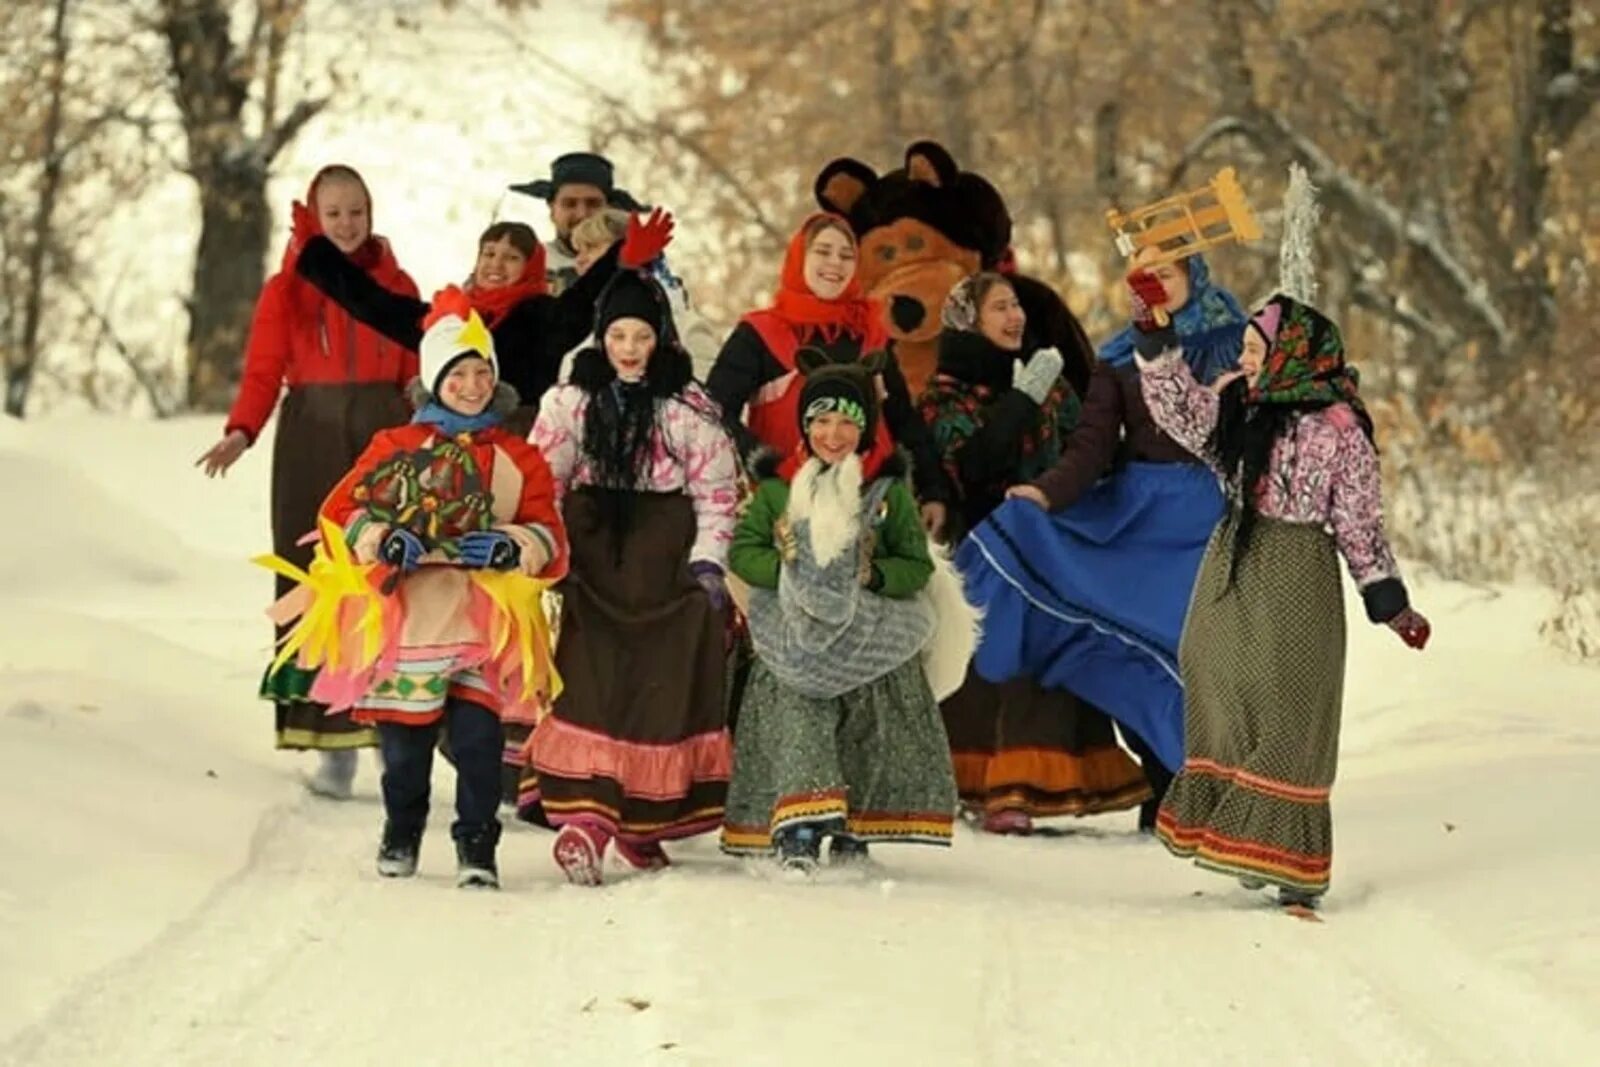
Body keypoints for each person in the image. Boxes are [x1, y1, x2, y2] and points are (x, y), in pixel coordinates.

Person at [1134, 291, 1431, 909]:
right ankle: (1242, 830)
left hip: (1299, 573)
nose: (1243, 362)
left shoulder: (1341, 430)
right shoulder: (1242, 408)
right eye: (1243, 350)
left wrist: (1390, 602)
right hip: (1234, 563)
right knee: (1209, 669)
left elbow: (1358, 523)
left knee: (1290, 706)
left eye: (1252, 350)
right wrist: (1155, 336)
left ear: (1292, 356)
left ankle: (1291, 869)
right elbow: (1179, 413)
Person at [270, 287, 568, 888]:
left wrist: (514, 543)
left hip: (480, 622)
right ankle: (402, 827)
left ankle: (477, 846)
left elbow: (551, 534)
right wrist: (382, 539)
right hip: (410, 618)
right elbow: (339, 513)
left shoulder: (516, 456)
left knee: (480, 742)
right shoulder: (395, 447)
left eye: (482, 372)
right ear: (434, 380)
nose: (472, 385)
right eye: (458, 374)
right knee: (404, 749)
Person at [196, 164, 418, 798]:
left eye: (357, 211)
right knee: (315, 579)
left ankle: (388, 733)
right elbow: (264, 370)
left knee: (386, 579)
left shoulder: (397, 284)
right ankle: (328, 742)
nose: (347, 224)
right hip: (311, 436)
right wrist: (242, 430)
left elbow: (415, 369)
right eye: (335, 213)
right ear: (316, 218)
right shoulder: (285, 288)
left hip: (383, 437)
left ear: (370, 214)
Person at [522, 268, 739, 885]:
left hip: (665, 560)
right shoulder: (572, 402)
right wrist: (549, 547)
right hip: (595, 557)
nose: (628, 349)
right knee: (592, 681)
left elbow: (716, 494)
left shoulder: (687, 407)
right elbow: (546, 477)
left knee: (660, 686)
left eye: (640, 335)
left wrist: (708, 564)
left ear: (661, 337)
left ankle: (641, 824)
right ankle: (587, 824)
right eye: (617, 334)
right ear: (601, 336)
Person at [922, 273, 1151, 832]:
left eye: (1017, 306)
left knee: (1048, 660)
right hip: (985, 552)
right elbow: (974, 467)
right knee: (994, 663)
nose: (1015, 317)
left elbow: (1086, 454)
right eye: (1000, 307)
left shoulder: (1052, 384)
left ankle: (1029, 788)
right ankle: (984, 787)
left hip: (1054, 549)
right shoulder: (943, 395)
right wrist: (1021, 399)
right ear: (968, 320)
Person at [722, 349, 961, 871]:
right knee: (799, 717)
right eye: (821, 421)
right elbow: (743, 552)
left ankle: (855, 824)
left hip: (864, 634)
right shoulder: (777, 490)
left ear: (865, 429)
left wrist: (875, 577)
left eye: (846, 422)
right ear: (804, 427)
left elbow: (915, 564)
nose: (833, 434)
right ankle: (798, 826)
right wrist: (785, 571)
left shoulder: (886, 493)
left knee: (864, 726)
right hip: (794, 631)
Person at [706, 212, 951, 535]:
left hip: (871, 510)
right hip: (787, 510)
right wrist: (766, 466)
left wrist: (934, 490)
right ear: (799, 257)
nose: (835, 263)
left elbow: (903, 419)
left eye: (846, 255)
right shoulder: (759, 333)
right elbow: (712, 412)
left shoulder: (873, 335)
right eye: (822, 252)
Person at [295, 207, 674, 416]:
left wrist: (619, 259)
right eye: (489, 254)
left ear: (531, 267)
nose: (496, 264)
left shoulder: (539, 314)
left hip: (517, 440)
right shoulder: (452, 319)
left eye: (511, 258)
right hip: (451, 441)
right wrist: (317, 251)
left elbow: (581, 303)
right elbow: (374, 305)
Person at [567, 209, 721, 381]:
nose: (579, 261)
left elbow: (712, 397)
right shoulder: (578, 324)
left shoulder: (683, 324)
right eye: (578, 251)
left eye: (591, 248)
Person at [510, 151, 650, 295]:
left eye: (593, 203)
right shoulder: (524, 265)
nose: (582, 214)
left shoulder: (640, 269)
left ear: (610, 208)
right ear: (552, 210)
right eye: (569, 204)